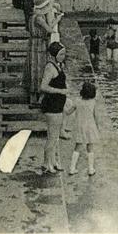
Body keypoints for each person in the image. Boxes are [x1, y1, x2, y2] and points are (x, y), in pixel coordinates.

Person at [39, 42, 69, 174]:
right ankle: (46, 163)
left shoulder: (59, 65)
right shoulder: (50, 67)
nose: (63, 56)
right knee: (52, 137)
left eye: (64, 54)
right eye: (61, 54)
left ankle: (54, 161)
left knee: (55, 137)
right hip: (51, 106)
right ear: (54, 55)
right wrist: (60, 91)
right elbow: (43, 87)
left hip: (58, 104)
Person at [28, 0, 60, 105]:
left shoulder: (33, 16)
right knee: (41, 69)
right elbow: (49, 30)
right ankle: (39, 99)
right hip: (40, 45)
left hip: (33, 44)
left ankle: (33, 98)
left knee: (33, 68)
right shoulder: (40, 18)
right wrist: (57, 19)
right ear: (43, 7)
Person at [67, 81, 102, 176]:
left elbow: (68, 112)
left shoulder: (77, 101)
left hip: (79, 126)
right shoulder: (93, 102)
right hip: (90, 127)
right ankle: (90, 169)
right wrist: (98, 127)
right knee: (90, 147)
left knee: (77, 147)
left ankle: (72, 168)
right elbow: (96, 116)